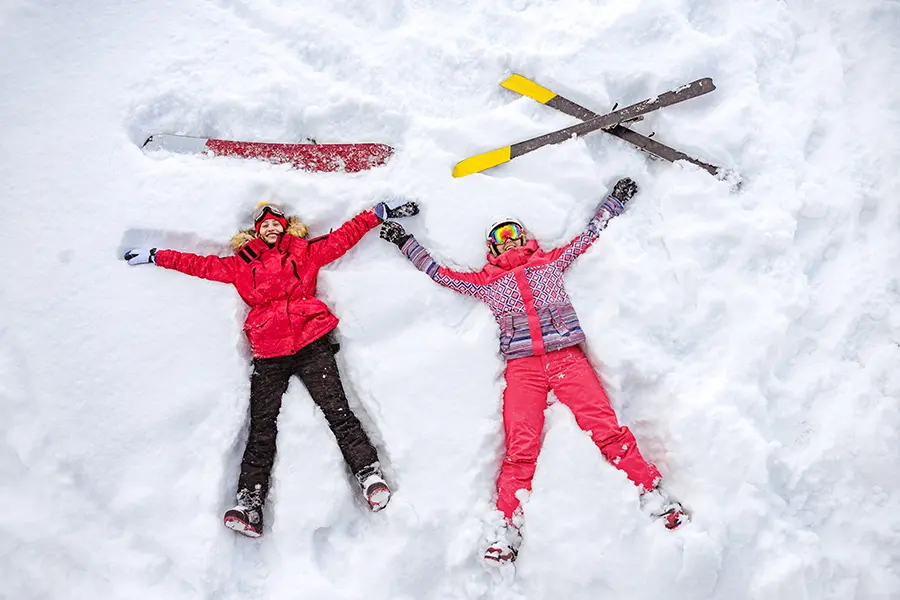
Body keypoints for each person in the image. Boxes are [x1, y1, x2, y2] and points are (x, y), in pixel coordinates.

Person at [379, 178, 687, 566]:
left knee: (607, 429)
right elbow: (442, 275)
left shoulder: (550, 263)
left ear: (526, 236)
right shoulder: (489, 282)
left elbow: (588, 235)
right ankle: (506, 528)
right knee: (520, 449)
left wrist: (613, 201)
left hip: (566, 359)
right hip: (523, 368)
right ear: (492, 248)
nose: (508, 240)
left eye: (513, 232)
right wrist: (407, 243)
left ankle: (654, 495)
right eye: (500, 237)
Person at [124, 198, 419, 537]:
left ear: (285, 226)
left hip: (312, 343)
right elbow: (198, 264)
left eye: (276, 222)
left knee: (337, 411)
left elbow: (343, 237)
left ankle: (370, 476)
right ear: (255, 231)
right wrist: (156, 256)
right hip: (268, 351)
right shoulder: (241, 264)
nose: (270, 226)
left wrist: (377, 212)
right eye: (264, 223)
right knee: (262, 427)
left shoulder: (303, 252)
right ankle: (249, 505)